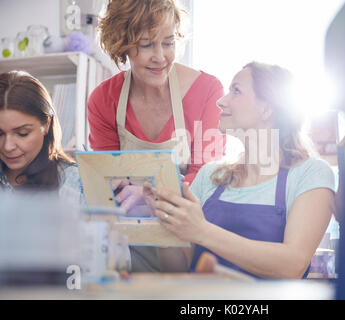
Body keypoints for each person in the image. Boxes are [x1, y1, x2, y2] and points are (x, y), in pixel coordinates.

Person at [146, 62, 336, 278]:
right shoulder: (210, 176)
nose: (221, 101)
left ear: (267, 108)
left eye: (236, 91)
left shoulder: (310, 174)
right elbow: (177, 270)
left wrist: (201, 230)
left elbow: (293, 264)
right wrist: (165, 220)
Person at [88, 0, 225, 272]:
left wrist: (149, 194)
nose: (160, 57)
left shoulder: (207, 91)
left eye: (168, 42)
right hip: (129, 242)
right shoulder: (103, 99)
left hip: (189, 240)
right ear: (122, 43)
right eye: (147, 44)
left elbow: (207, 177)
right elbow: (106, 179)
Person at [0, 71, 84, 205]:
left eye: (23, 133)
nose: (7, 147)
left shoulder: (74, 182)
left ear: (46, 124)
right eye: (0, 134)